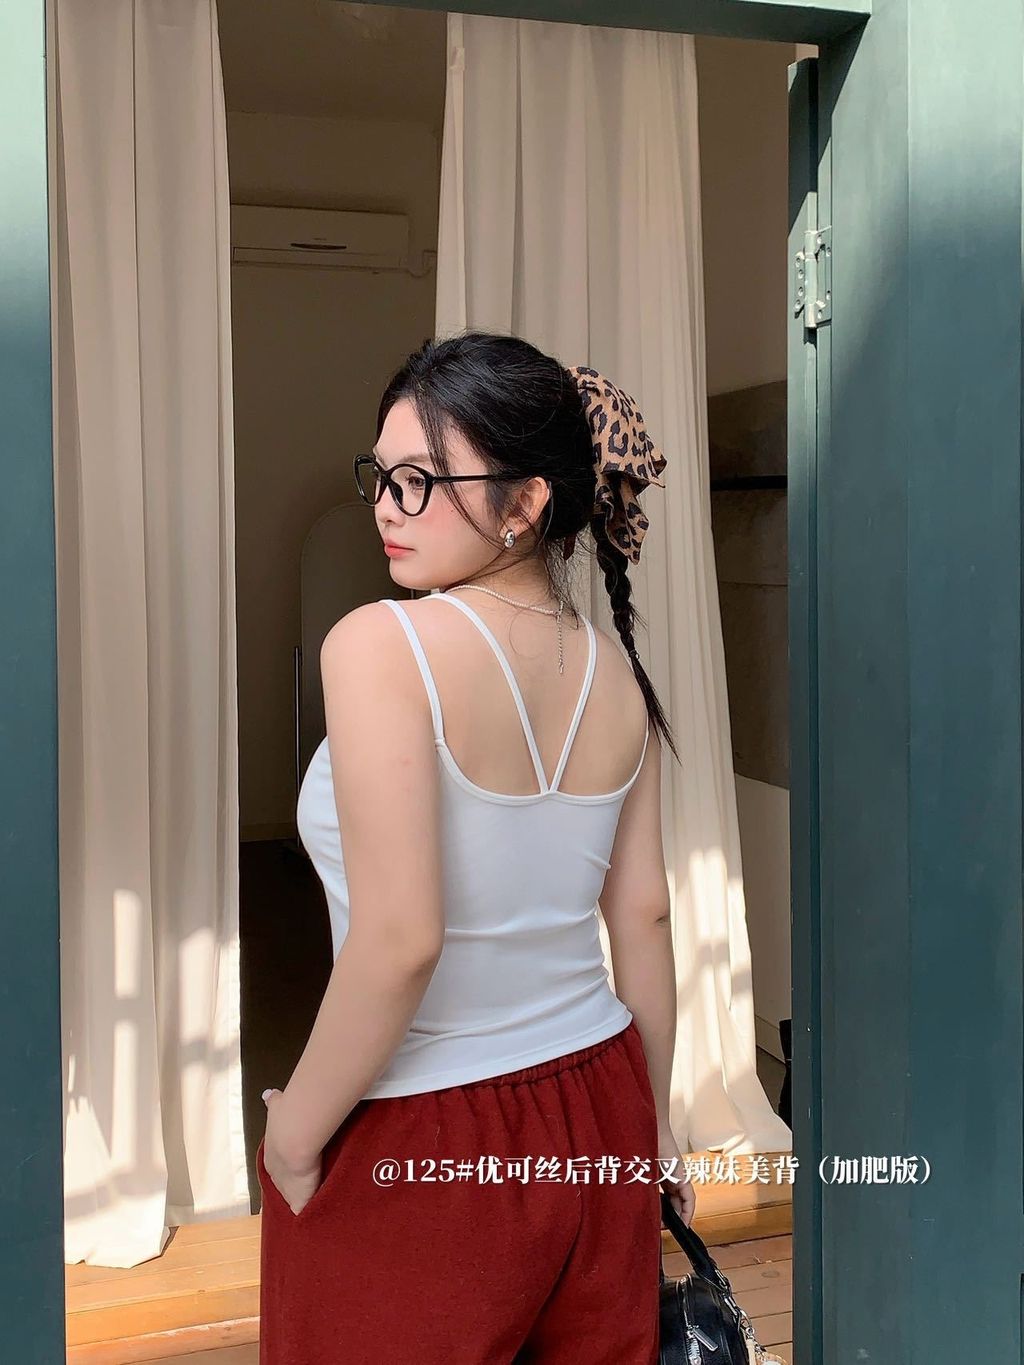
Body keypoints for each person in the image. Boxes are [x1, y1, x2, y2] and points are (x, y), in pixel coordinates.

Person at [256, 331, 695, 1364]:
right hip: (599, 1099)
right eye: (380, 477)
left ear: (524, 502)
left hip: (430, 1132)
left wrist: (294, 1132)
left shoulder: (379, 644)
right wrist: (655, 1127)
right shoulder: (617, 675)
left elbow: (401, 939)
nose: (386, 507)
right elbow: (643, 916)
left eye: (420, 481)